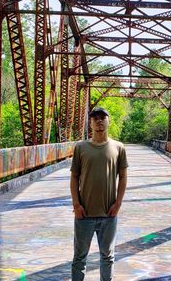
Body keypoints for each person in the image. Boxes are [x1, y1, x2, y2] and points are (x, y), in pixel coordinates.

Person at [70, 106, 128, 281]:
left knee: (107, 257)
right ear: (90, 123)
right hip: (84, 214)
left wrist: (118, 204)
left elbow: (123, 177)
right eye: (95, 118)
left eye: (103, 117)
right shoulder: (80, 147)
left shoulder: (118, 147)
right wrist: (76, 205)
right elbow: (74, 177)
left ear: (109, 121)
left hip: (108, 214)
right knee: (79, 259)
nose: (99, 120)